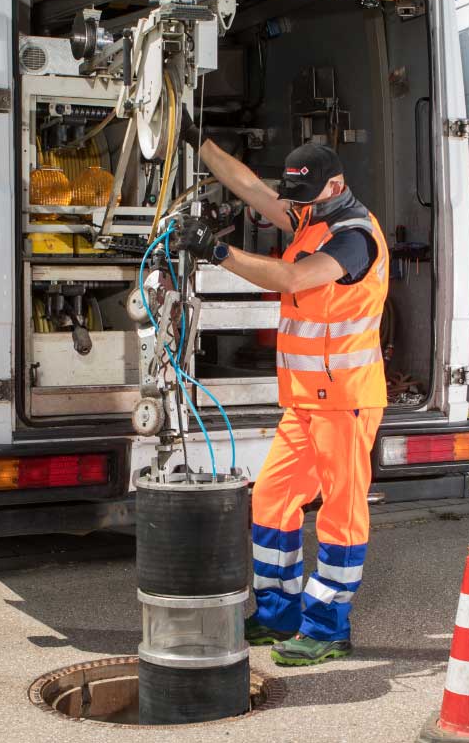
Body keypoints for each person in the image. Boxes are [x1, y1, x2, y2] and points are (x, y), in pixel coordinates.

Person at [172, 128, 388, 667]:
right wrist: (198, 143)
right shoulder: (307, 215)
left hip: (346, 400)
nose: (291, 207)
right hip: (306, 404)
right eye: (291, 196)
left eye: (303, 197)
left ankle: (328, 628)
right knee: (270, 500)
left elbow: (292, 277)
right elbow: (248, 186)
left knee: (340, 513)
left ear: (335, 185)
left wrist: (217, 252)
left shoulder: (354, 237)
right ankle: (277, 614)